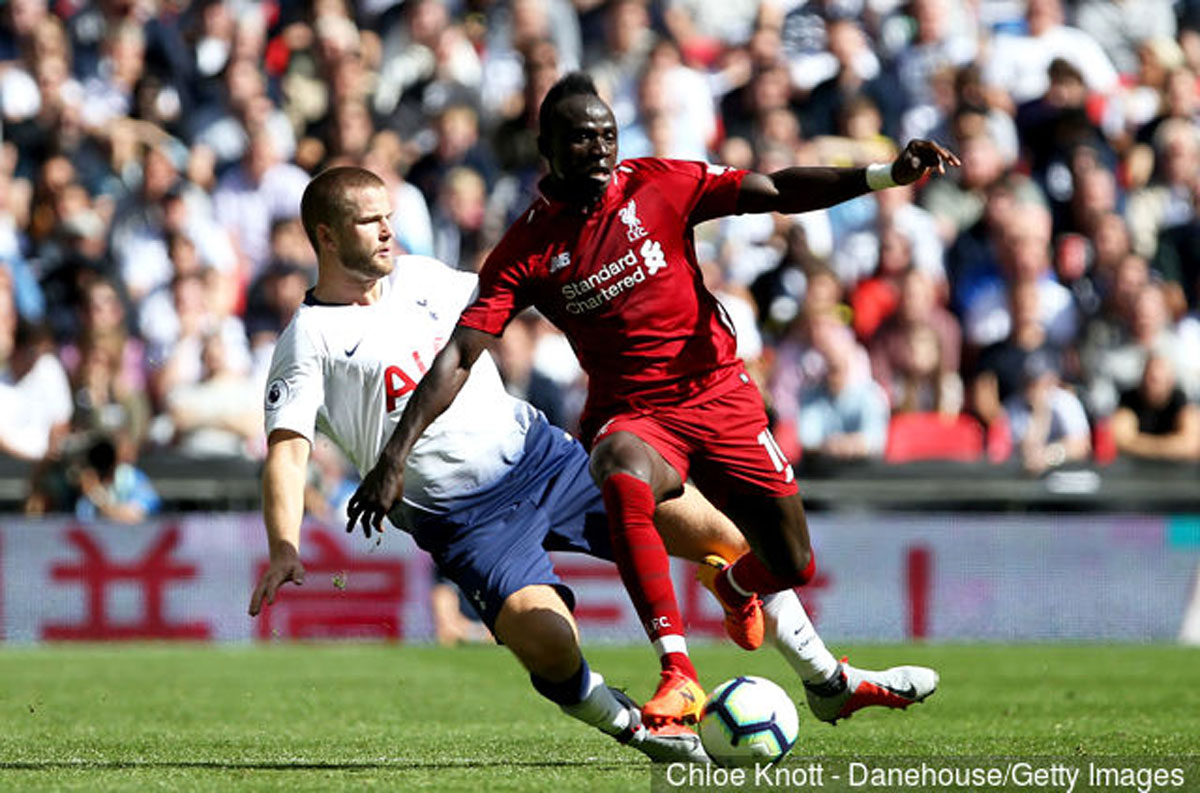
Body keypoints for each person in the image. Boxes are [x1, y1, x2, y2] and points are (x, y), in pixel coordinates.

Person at [348, 73, 951, 725]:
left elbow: (774, 190)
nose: (601, 148)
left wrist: (886, 174)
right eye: (582, 137)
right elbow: (460, 355)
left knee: (792, 562)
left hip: (720, 391)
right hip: (633, 414)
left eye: (608, 133)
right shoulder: (527, 247)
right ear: (547, 145)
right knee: (618, 466)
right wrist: (393, 458)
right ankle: (679, 672)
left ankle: (739, 586)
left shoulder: (658, 183)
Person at [248, 165, 719, 764]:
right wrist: (284, 546)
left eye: (389, 217)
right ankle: (635, 726)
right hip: (467, 521)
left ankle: (821, 672)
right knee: (546, 640)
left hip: (542, 459)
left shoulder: (424, 276)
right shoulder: (308, 339)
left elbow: (515, 292)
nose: (388, 231)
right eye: (370, 222)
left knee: (719, 536)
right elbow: (288, 451)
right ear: (328, 237)